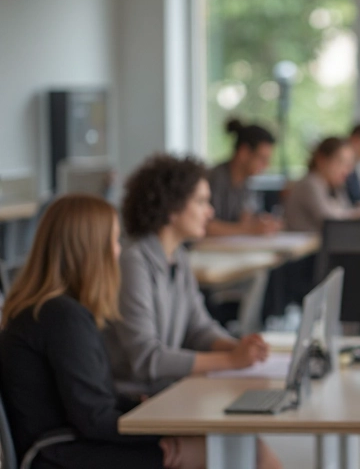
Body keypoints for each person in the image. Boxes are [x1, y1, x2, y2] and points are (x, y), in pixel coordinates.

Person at [0, 194, 281, 469]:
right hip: (63, 453)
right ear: (89, 250)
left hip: (71, 443)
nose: (117, 250)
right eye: (112, 240)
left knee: (237, 444)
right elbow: (94, 418)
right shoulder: (62, 317)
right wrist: (159, 436)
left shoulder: (48, 310)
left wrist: (141, 409)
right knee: (241, 448)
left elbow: (91, 399)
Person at [104, 154, 271, 397]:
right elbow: (147, 358)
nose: (210, 212)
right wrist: (230, 361)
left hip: (163, 390)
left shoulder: (178, 256)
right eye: (201, 202)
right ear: (172, 208)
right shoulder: (134, 261)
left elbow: (199, 328)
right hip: (134, 400)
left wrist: (238, 347)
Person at [206, 119, 281, 236]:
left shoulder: (245, 183)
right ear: (244, 152)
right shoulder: (213, 179)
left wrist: (259, 221)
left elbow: (244, 218)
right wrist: (250, 229)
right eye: (262, 159)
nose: (266, 165)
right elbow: (206, 226)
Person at [283, 136, 358, 232]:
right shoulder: (310, 184)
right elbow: (331, 222)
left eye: (349, 164)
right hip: (306, 246)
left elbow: (346, 213)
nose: (346, 170)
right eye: (340, 162)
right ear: (321, 160)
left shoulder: (333, 186)